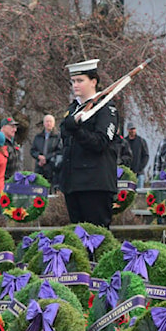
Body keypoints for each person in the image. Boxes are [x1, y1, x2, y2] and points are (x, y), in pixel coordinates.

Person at [58, 58, 119, 227]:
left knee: (97, 237)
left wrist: (77, 130)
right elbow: (65, 138)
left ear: (93, 81)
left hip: (95, 183)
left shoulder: (106, 108)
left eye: (80, 80)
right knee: (78, 236)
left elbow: (101, 142)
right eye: (73, 81)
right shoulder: (73, 109)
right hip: (73, 183)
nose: (75, 85)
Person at [31, 114, 63, 188]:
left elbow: (59, 151)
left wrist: (46, 158)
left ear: (53, 123)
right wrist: (39, 156)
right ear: (44, 123)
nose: (48, 123)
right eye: (47, 121)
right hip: (39, 167)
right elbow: (32, 150)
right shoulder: (38, 137)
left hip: (52, 167)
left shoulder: (57, 137)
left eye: (50, 121)